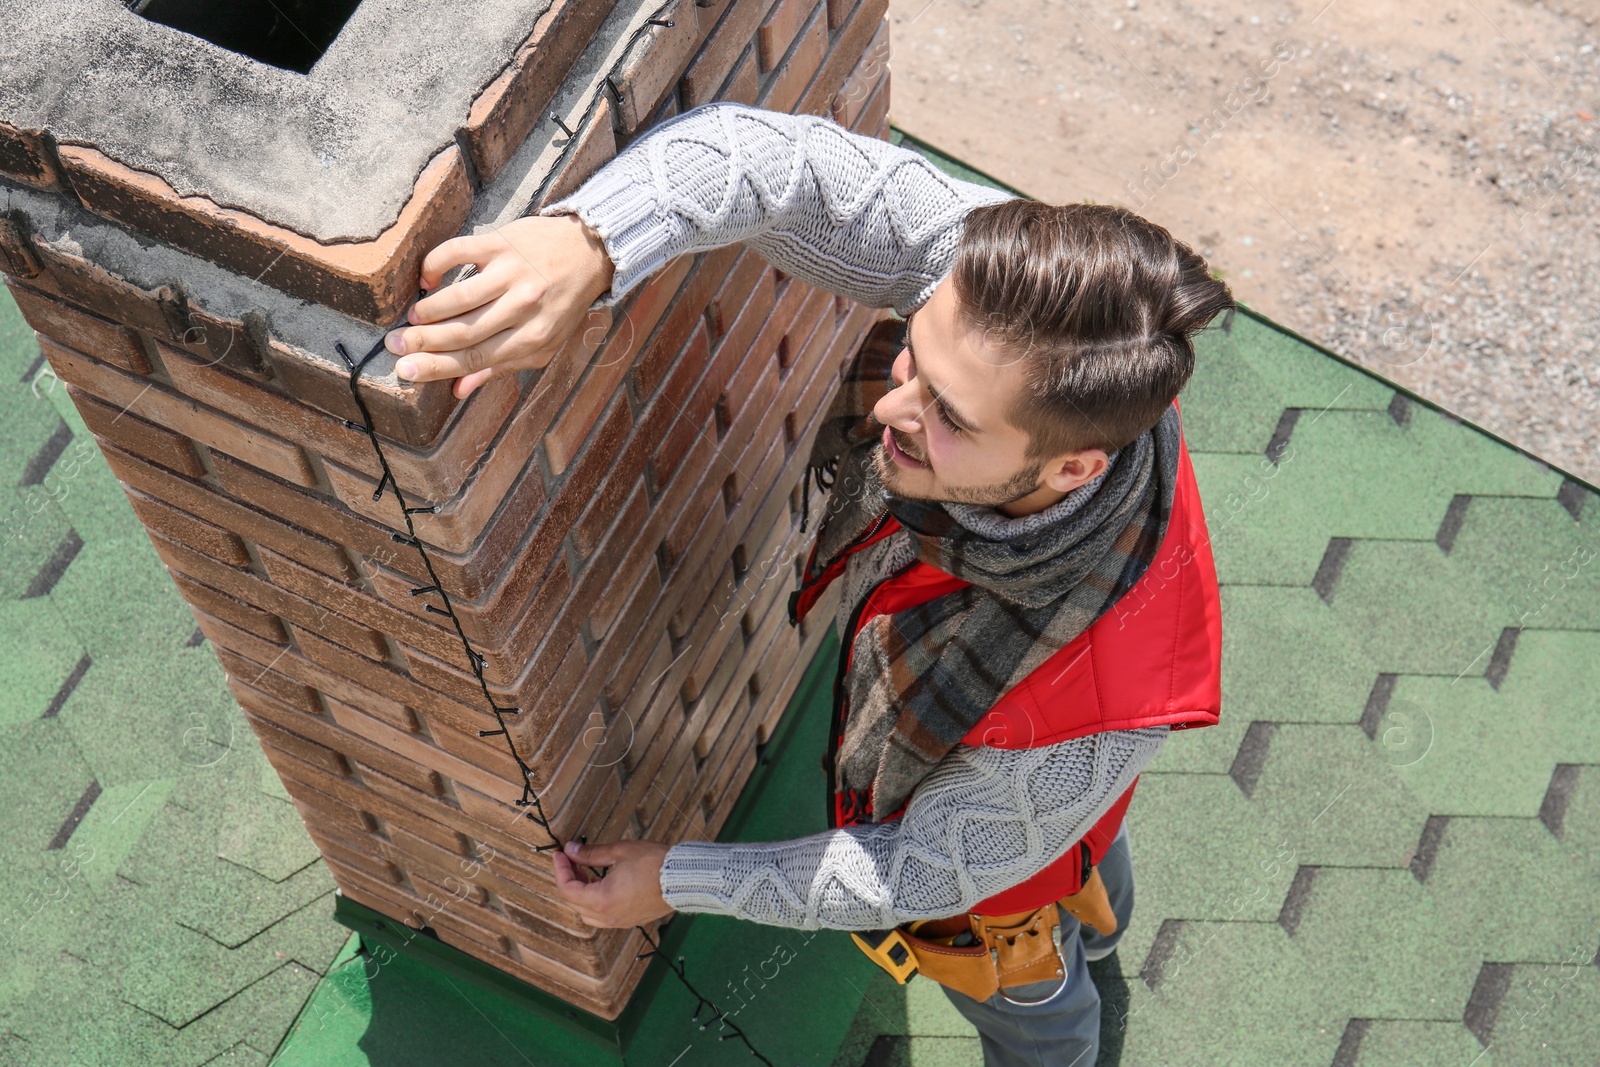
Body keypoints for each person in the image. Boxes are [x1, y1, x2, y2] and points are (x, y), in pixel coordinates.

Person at [381, 102, 1231, 1067]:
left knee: (1030, 987)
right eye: (916, 346)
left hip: (1005, 865)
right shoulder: (1025, 304)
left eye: (946, 417)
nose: (892, 403)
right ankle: (1109, 929)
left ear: (1073, 468)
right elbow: (772, 161)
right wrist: (594, 243)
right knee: (1094, 851)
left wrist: (677, 879)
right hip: (1039, 777)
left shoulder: (1092, 713)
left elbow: (907, 872)